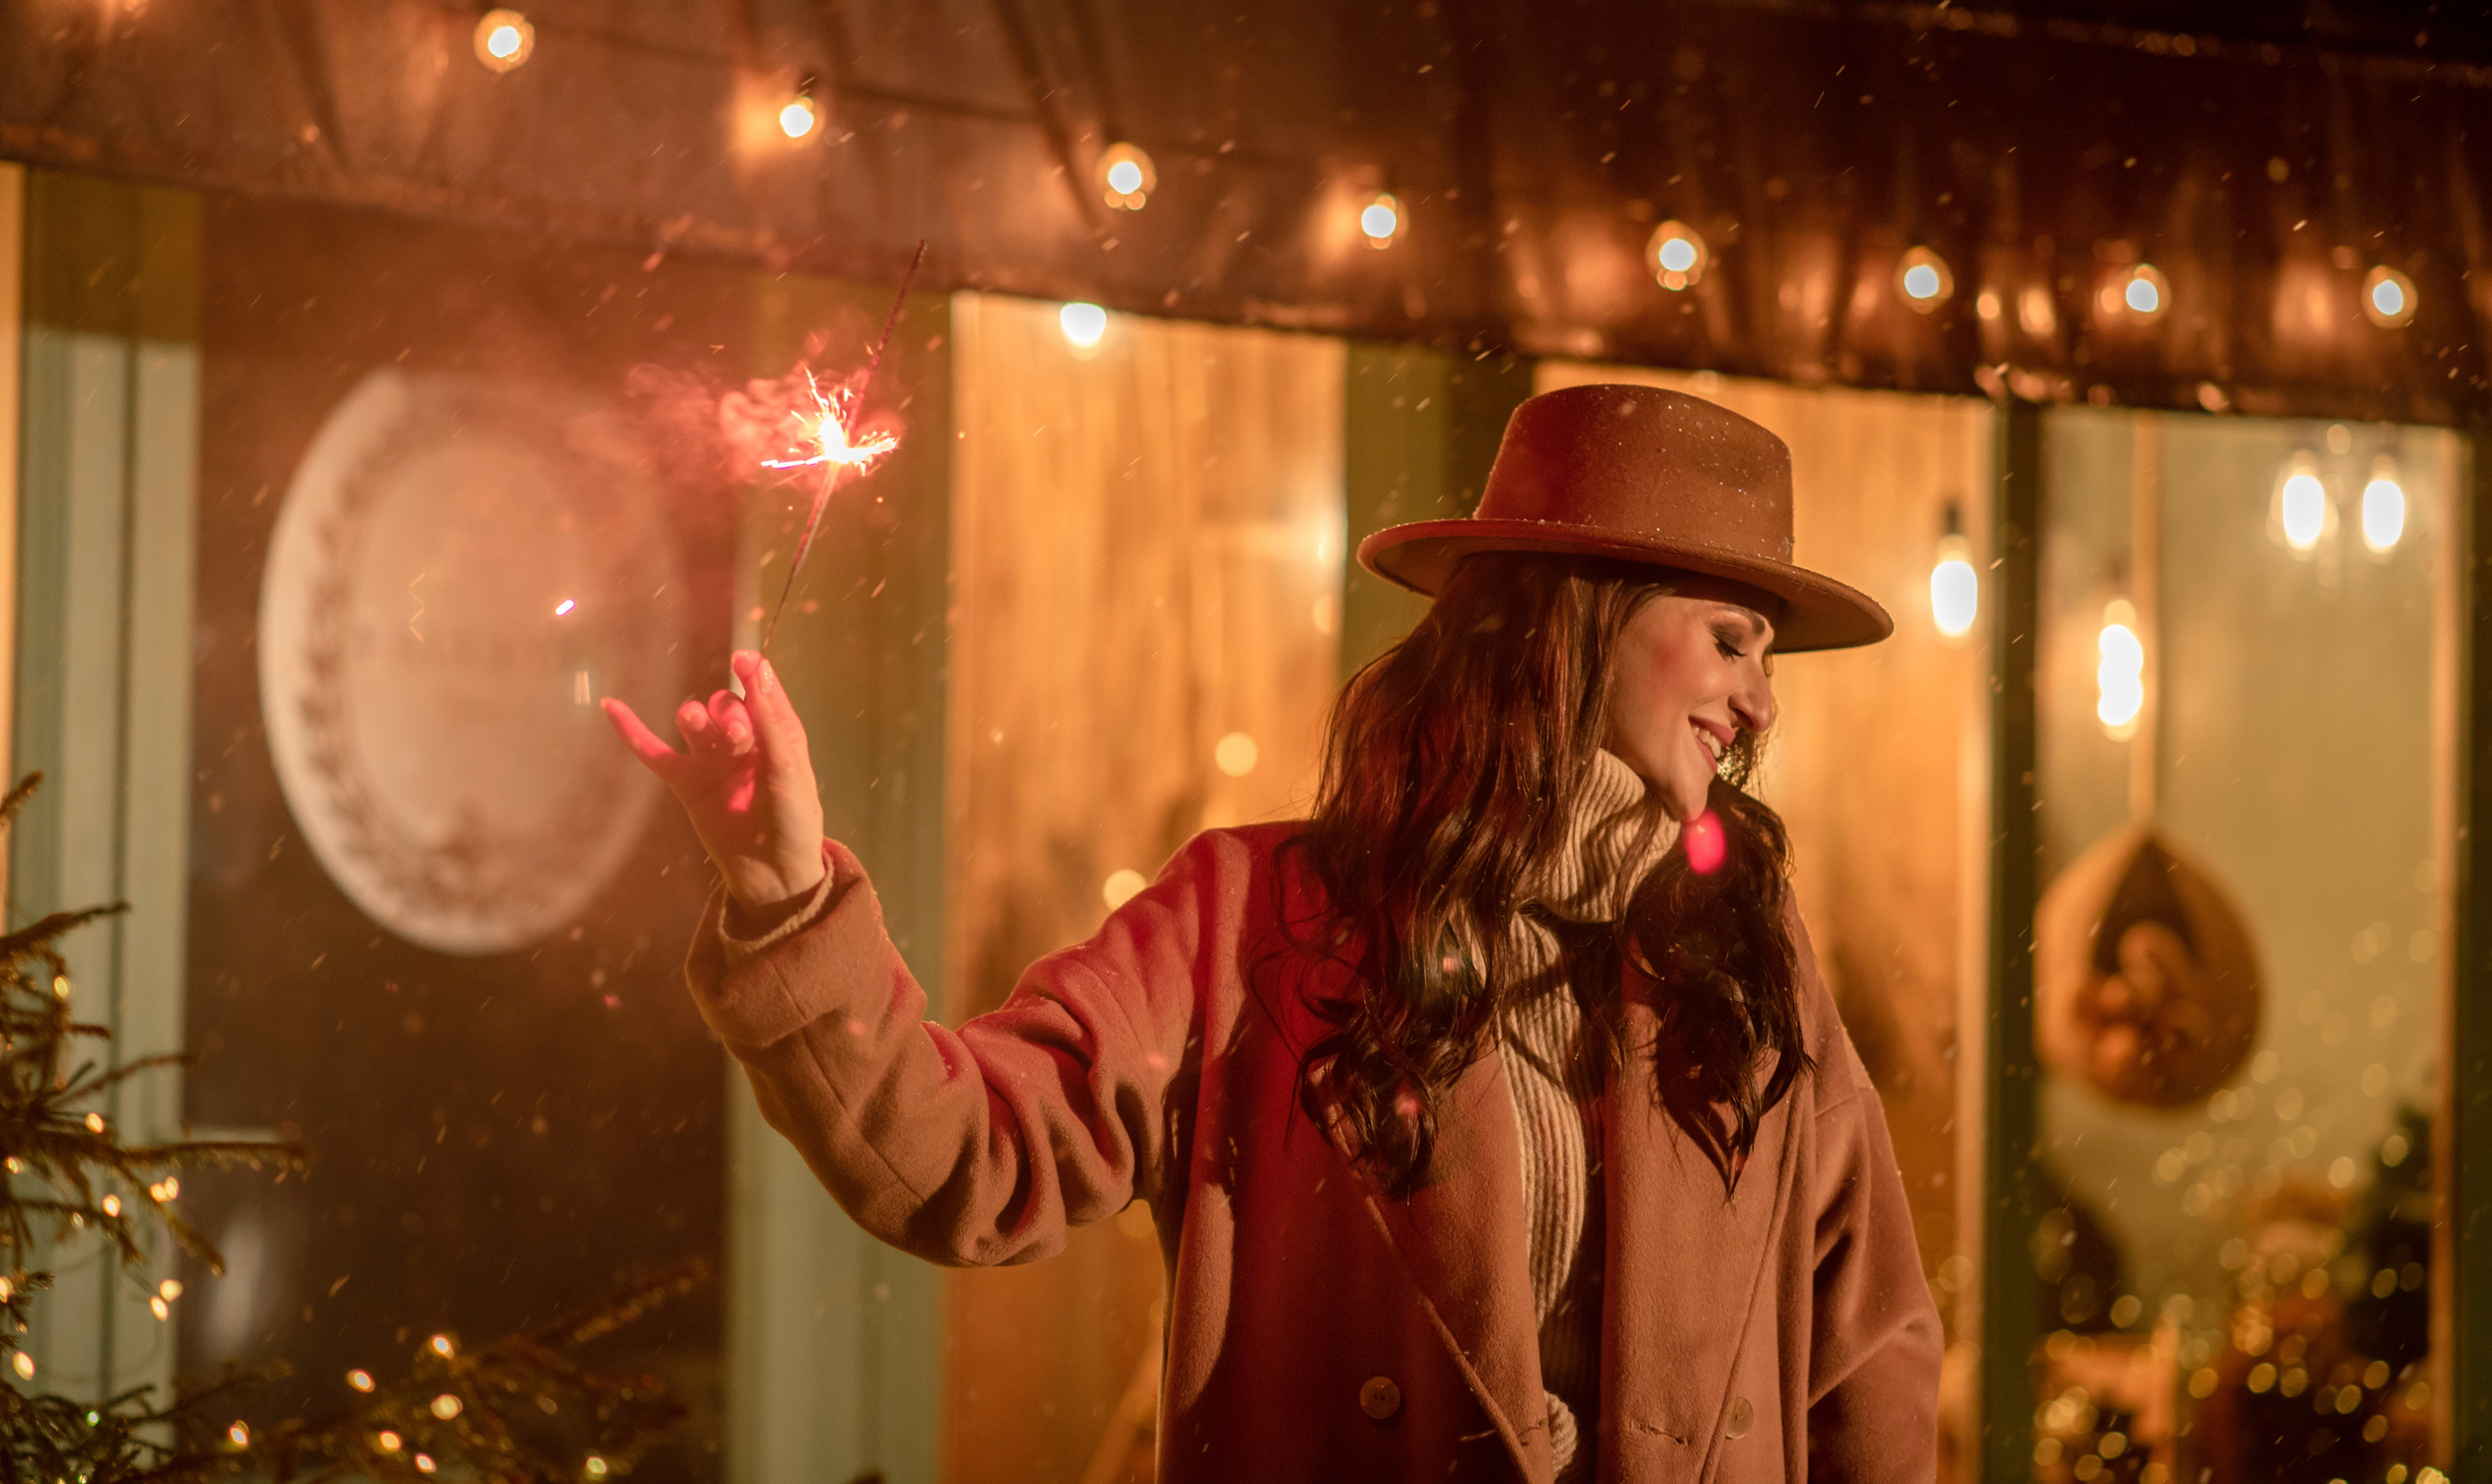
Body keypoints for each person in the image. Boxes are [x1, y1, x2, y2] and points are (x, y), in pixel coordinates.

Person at [607, 383, 1940, 1483]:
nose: (1762, 702)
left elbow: (1869, 1346)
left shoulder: (1747, 965)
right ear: (1584, 615)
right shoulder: (1256, 920)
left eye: (1765, 657)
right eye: (1731, 640)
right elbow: (968, 1153)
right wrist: (785, 889)